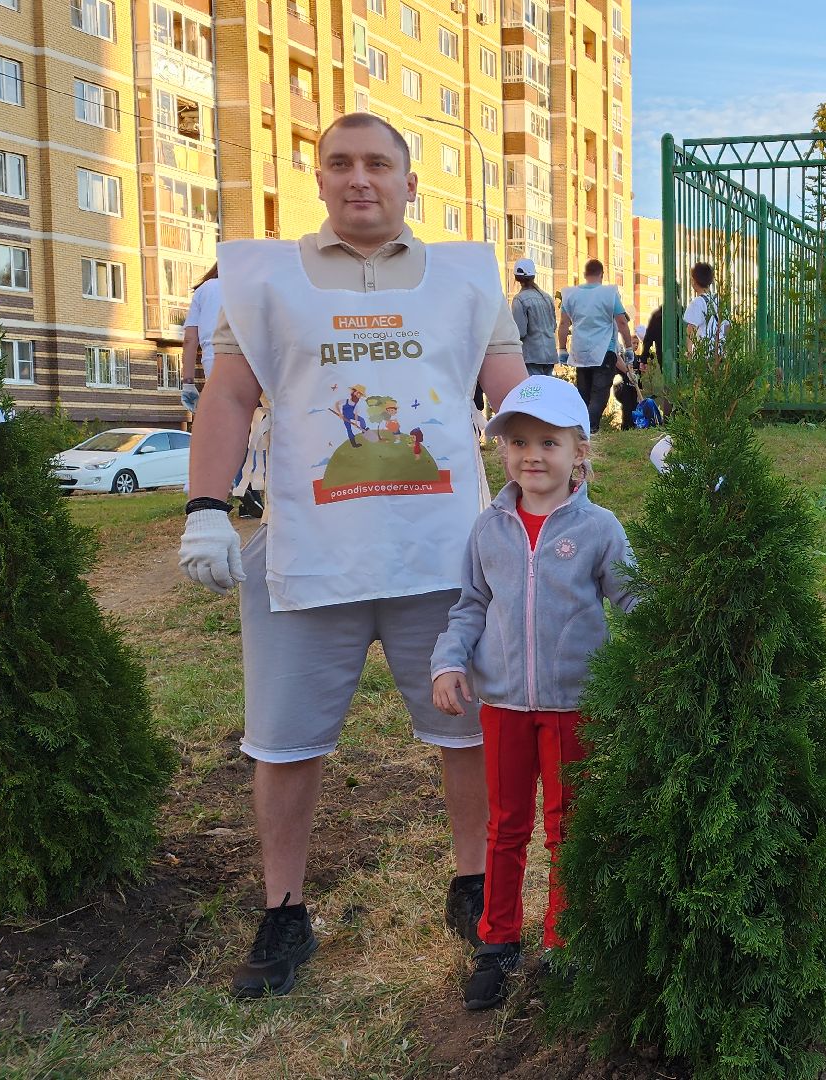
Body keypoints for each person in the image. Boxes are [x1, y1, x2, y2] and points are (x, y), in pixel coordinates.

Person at [177, 112, 532, 1001]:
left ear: (412, 183)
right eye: (341, 164)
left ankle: (475, 882)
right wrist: (206, 510)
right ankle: (284, 909)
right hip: (307, 555)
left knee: (468, 728)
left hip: (444, 557)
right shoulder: (260, 281)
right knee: (285, 743)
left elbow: (515, 401)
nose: (360, 179)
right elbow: (226, 398)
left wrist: (557, 497)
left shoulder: (465, 277)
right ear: (320, 179)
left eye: (380, 164)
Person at [428, 375, 635, 1010]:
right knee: (506, 826)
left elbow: (631, 598)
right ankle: (497, 939)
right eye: (518, 442)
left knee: (568, 829)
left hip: (576, 707)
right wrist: (447, 662)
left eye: (549, 441)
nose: (532, 456)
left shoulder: (599, 529)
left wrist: (669, 631)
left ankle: (566, 942)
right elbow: (470, 606)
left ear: (581, 452)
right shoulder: (488, 529)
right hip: (504, 708)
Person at [555, 258, 637, 433]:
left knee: (583, 394)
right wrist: (629, 348)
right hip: (603, 351)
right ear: (602, 274)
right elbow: (622, 322)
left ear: (585, 275)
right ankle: (589, 429)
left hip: (580, 352)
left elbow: (563, 325)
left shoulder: (571, 295)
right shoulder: (609, 294)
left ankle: (581, 430)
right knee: (599, 393)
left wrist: (562, 349)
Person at [179, 264, 221, 422]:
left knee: (221, 423)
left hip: (215, 364)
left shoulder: (205, 289)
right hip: (251, 361)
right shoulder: (248, 285)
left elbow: (190, 339)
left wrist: (188, 383)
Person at [510, 257, 559, 380]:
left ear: (517, 278)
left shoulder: (519, 299)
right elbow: (553, 326)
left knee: (535, 393)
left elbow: (520, 332)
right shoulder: (547, 297)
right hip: (549, 354)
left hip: (532, 356)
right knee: (546, 392)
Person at [682, 261, 729, 347]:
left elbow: (691, 330)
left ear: (694, 281)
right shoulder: (719, 301)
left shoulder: (697, 303)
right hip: (720, 355)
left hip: (704, 355)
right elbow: (726, 327)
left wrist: (689, 356)